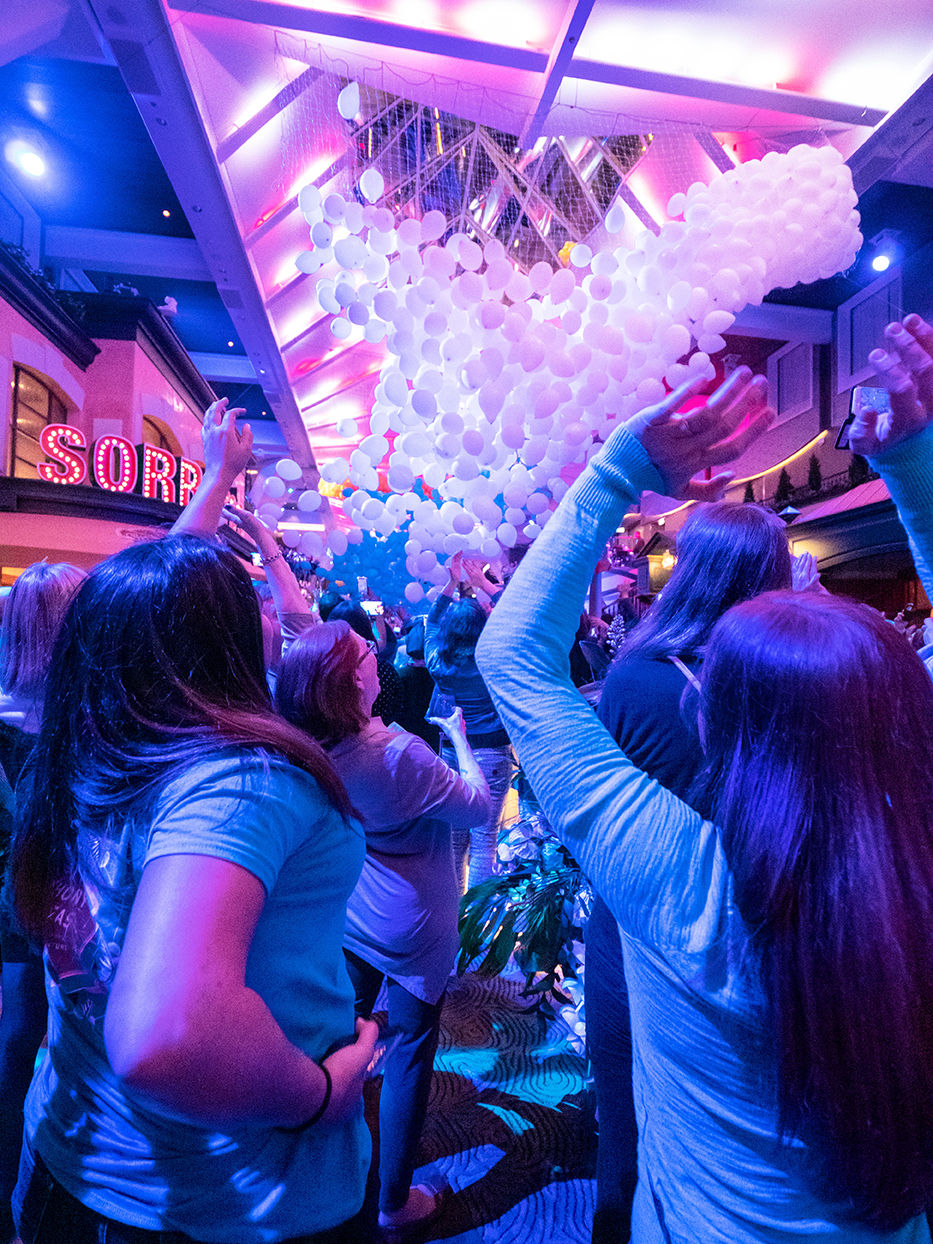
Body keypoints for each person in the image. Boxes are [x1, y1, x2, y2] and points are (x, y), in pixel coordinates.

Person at [476, 358, 933, 1242]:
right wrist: (910, 462)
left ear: (719, 717)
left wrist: (617, 470)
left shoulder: (680, 880)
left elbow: (514, 657)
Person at [9, 398, 378, 1244]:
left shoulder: (89, 743)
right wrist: (318, 1094)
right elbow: (165, 1036)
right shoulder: (237, 782)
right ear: (219, 641)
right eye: (251, 598)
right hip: (231, 1200)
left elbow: (149, 603)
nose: (271, 612)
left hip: (80, 1167)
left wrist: (216, 480)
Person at [223, 503, 491, 1238]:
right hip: (412, 921)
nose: (375, 653)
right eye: (366, 656)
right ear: (352, 686)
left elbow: (301, 631)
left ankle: (321, 1155)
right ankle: (394, 1204)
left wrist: (272, 549)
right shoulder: (400, 754)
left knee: (339, 1031)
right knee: (409, 1050)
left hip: (353, 904)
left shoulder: (300, 729)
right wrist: (461, 740)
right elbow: (477, 808)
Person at [588, 501, 792, 1243]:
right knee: (740, 1126)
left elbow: (600, 815)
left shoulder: (634, 677)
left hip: (635, 919)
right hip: (756, 921)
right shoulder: (788, 674)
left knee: (626, 1123)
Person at [0, 560, 87, 1244]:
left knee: (18, 1035)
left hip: (16, 896)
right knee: (58, 1034)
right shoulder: (88, 719)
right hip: (63, 896)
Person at [425, 553, 512, 890]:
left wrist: (451, 582)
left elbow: (433, 622)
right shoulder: (493, 659)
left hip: (452, 752)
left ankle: (454, 913)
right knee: (484, 841)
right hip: (491, 752)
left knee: (454, 839)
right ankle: (477, 917)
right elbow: (513, 616)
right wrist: (483, 584)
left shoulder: (437, 662)